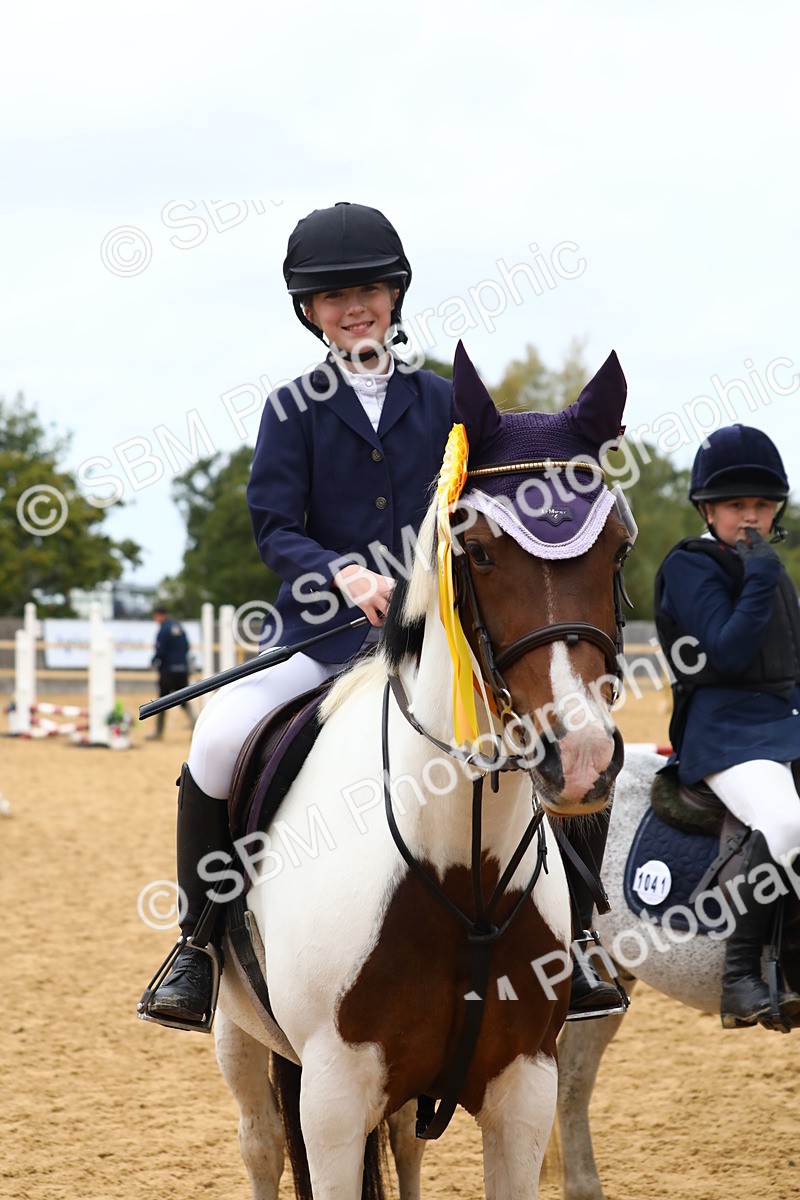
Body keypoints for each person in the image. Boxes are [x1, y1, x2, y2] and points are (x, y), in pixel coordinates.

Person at [141, 201, 620, 1030]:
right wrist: (343, 573)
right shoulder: (290, 409)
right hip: (322, 638)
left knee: (557, 726)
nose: (353, 307)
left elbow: (484, 510)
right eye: (333, 298)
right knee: (217, 737)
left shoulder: (447, 405)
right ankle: (198, 940)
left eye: (367, 290)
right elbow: (275, 528)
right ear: (309, 313)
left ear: (395, 296)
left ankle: (574, 936)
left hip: (439, 647)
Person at [654, 424, 800, 1030]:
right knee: (787, 821)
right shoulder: (691, 567)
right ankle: (740, 978)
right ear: (709, 509)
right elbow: (728, 653)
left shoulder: (769, 569)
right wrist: (762, 576)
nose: (750, 516)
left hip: (785, 722)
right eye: (737, 505)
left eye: (761, 505)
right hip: (725, 731)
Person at [146, 606, 196, 740]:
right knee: (184, 700)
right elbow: (186, 647)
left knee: (162, 701)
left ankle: (158, 731)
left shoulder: (163, 630)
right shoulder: (179, 628)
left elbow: (160, 652)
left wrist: (154, 661)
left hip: (168, 671)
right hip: (182, 670)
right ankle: (195, 724)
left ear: (159, 615)